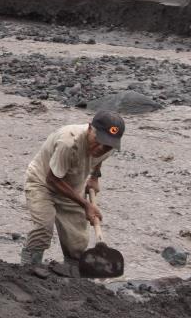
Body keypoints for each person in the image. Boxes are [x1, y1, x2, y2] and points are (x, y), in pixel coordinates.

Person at [20, 111, 125, 276]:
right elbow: (52, 180)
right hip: (42, 183)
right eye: (98, 141)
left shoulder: (109, 147)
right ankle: (27, 269)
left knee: (77, 244)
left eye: (107, 145)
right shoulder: (69, 142)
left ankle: (72, 274)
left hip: (71, 186)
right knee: (43, 228)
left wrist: (94, 177)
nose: (100, 148)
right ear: (90, 128)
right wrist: (86, 204)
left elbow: (99, 159)